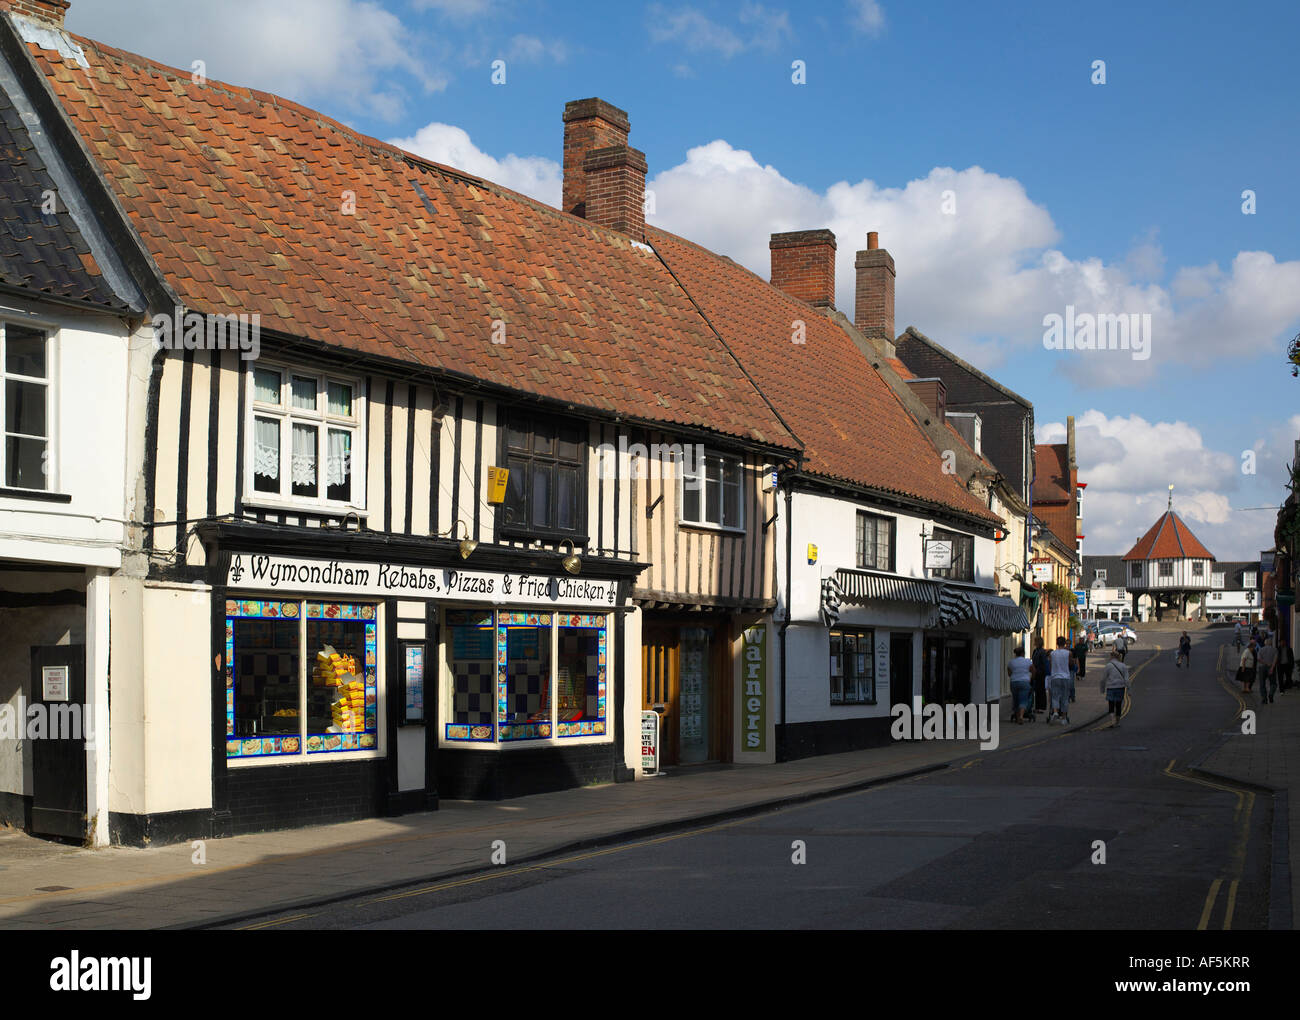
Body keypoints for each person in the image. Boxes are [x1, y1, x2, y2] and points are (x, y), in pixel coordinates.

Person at [1047, 635, 1076, 725]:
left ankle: (1055, 711)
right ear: (1064, 643)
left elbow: (1051, 665)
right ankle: (1063, 718)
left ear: (1057, 644)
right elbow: (1071, 664)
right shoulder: (1068, 653)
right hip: (1065, 677)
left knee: (1055, 696)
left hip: (1055, 676)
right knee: (1065, 697)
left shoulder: (1052, 653)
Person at [1101, 647, 1130, 726]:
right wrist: (1129, 690)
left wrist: (1102, 689)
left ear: (1111, 657)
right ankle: (1117, 721)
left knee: (1111, 704)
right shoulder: (1123, 666)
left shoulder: (1108, 666)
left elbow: (1103, 679)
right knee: (1118, 705)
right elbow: (1127, 679)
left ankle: (1112, 720)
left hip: (1110, 688)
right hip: (1120, 687)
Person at [1007, 645, 1033, 724]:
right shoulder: (1028, 661)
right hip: (1025, 682)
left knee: (1016, 700)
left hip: (1014, 682)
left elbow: (1009, 673)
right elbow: (1033, 670)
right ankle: (1021, 716)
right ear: (1023, 653)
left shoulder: (1011, 662)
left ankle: (1017, 717)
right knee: (1023, 699)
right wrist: (1031, 679)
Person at [1031, 636, 1050, 719]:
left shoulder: (1042, 652)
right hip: (1036, 672)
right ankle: (1037, 707)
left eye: (1035, 641)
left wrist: (1043, 672)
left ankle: (1041, 707)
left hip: (1041, 673)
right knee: (1037, 690)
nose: (1034, 642)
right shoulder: (1035, 651)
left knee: (1041, 690)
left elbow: (1044, 663)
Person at [1257, 637, 1278, 704]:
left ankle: (1264, 699)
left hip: (1262, 668)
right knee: (1273, 683)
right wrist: (1272, 667)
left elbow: (1259, 659)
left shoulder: (1261, 649)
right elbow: (1275, 659)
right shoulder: (1275, 650)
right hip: (1271, 668)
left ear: (1265, 643)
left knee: (1262, 684)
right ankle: (1271, 694)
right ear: (1271, 643)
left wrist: (1266, 663)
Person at [1072, 634, 1089, 704]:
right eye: (1080, 640)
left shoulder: (1084, 645)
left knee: (1082, 666)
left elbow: (1086, 650)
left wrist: (1085, 653)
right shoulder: (1077, 645)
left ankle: (1082, 675)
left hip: (1083, 657)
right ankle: (1078, 675)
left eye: (1082, 640)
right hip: (1078, 657)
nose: (1081, 641)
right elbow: (1074, 651)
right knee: (1077, 667)